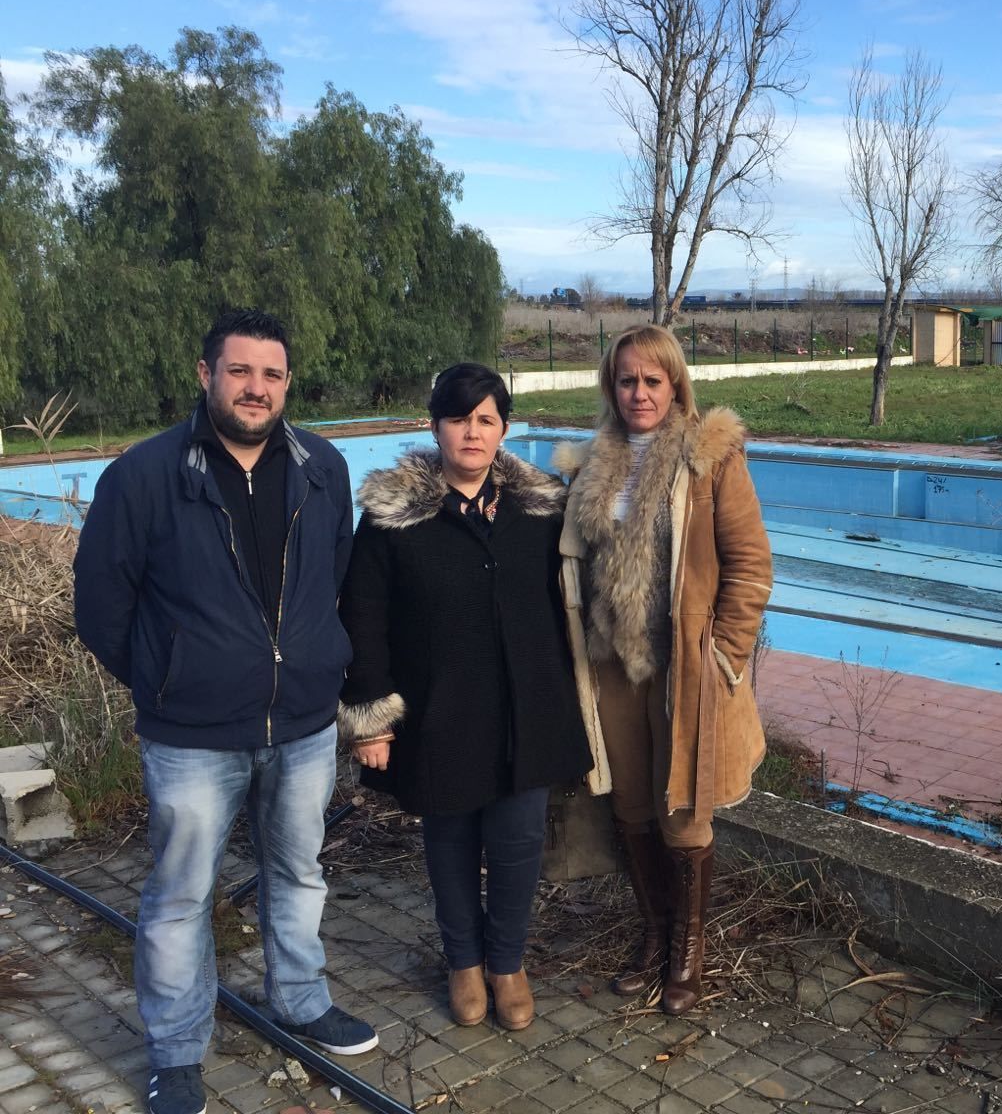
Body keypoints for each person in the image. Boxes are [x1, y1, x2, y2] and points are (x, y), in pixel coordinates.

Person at [74, 309, 377, 1114]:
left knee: (299, 872)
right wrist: (169, 681)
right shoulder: (144, 475)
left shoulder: (324, 466)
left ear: (286, 384)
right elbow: (101, 605)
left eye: (271, 374)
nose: (257, 388)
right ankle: (176, 1053)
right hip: (193, 737)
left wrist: (319, 661)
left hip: (305, 725)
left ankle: (301, 999)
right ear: (205, 374)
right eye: (240, 371)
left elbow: (333, 576)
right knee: (180, 894)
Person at [337, 363, 597, 1031]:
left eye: (486, 419)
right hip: (439, 713)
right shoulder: (393, 519)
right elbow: (362, 616)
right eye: (459, 418)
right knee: (450, 844)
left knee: (516, 845)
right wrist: (370, 717)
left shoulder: (539, 509)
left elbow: (580, 591)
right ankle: (463, 962)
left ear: (504, 430)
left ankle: (506, 963)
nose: (472, 432)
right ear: (436, 427)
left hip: (525, 710)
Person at [558, 324, 772, 1015]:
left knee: (684, 814)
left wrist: (724, 658)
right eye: (626, 380)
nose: (639, 393)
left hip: (685, 668)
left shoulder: (710, 459)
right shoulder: (594, 463)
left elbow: (751, 566)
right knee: (629, 806)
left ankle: (689, 948)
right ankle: (653, 934)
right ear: (610, 387)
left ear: (676, 383)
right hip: (612, 662)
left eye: (652, 380)